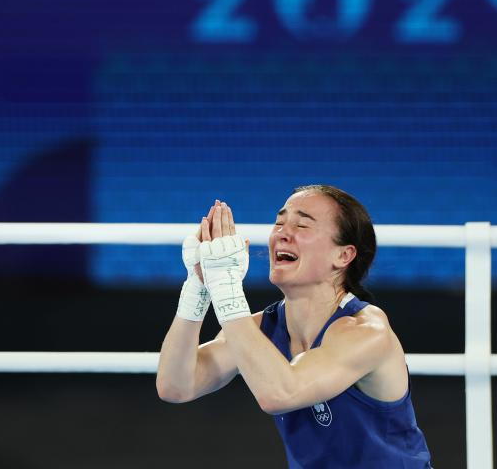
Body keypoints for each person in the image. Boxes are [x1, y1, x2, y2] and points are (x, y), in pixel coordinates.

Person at [156, 185, 434, 468]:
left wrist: (226, 288)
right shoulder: (261, 327)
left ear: (343, 256)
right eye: (279, 223)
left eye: (302, 225)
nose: (282, 233)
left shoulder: (366, 331)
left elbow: (281, 393)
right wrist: (198, 288)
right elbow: (176, 386)